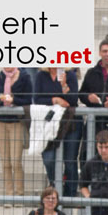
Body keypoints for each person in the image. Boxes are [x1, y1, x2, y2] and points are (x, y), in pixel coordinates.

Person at [34, 68, 82, 197]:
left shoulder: (70, 75)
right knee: (49, 159)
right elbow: (37, 99)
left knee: (70, 161)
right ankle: (56, 188)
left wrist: (64, 85)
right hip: (49, 124)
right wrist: (55, 100)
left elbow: (72, 100)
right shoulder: (41, 75)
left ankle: (71, 194)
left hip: (70, 123)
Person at [0, 67, 32, 201]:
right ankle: (9, 194)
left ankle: (19, 194)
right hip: (0, 122)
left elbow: (28, 101)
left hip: (16, 122)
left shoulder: (25, 78)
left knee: (16, 161)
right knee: (5, 162)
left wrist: (13, 100)